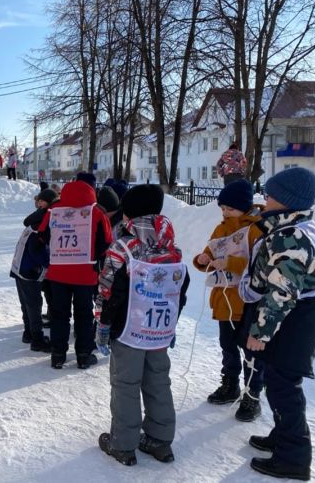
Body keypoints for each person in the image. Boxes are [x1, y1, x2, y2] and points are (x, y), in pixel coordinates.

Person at [95, 184, 190, 466]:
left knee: (126, 382)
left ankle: (123, 444)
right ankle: (160, 440)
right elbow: (175, 290)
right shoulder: (172, 248)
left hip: (128, 328)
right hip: (159, 327)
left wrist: (102, 323)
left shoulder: (122, 246)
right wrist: (171, 325)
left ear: (129, 214)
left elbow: (107, 288)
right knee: (159, 380)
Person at [239, 167, 315, 481]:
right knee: (276, 378)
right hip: (295, 317)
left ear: (286, 201)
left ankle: (294, 457)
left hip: (294, 319)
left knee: (285, 386)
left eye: (270, 195)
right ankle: (282, 436)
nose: (265, 199)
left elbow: (283, 289)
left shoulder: (293, 236)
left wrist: (260, 331)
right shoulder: (293, 227)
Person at [193, 179, 264, 422]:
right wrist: (203, 259)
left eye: (231, 209)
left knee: (250, 352)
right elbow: (211, 251)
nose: (225, 213)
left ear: (244, 207)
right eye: (223, 208)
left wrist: (232, 263)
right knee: (227, 347)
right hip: (224, 301)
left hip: (246, 303)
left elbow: (260, 265)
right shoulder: (221, 228)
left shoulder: (255, 230)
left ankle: (252, 395)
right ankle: (230, 383)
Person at [36, 180, 113, 369]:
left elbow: (42, 234)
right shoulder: (97, 212)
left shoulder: (53, 210)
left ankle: (58, 354)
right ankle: (83, 355)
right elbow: (107, 241)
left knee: (59, 314)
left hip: (58, 273)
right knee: (84, 315)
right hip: (85, 274)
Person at [12, 188, 57, 352]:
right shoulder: (43, 221)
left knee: (26, 303)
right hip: (29, 270)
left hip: (19, 267)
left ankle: (28, 333)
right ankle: (37, 338)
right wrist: (50, 262)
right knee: (34, 304)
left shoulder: (35, 217)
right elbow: (36, 250)